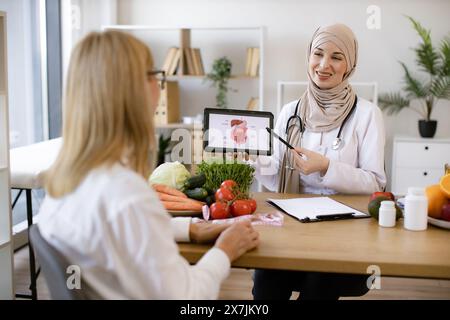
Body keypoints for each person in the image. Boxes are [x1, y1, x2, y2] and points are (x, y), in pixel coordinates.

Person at [37, 30, 259, 299]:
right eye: (154, 74)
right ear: (131, 90)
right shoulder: (126, 194)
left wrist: (189, 229)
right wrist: (225, 249)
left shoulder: (65, 182)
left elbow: (121, 233)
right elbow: (189, 297)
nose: (160, 84)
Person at [252, 23, 386, 300]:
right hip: (292, 228)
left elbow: (376, 182)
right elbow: (276, 174)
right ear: (308, 57)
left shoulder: (367, 114)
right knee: (265, 278)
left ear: (350, 65)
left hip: (344, 232)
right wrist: (251, 159)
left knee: (318, 281)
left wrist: (327, 167)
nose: (324, 65)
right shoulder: (290, 111)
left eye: (337, 57)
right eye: (318, 54)